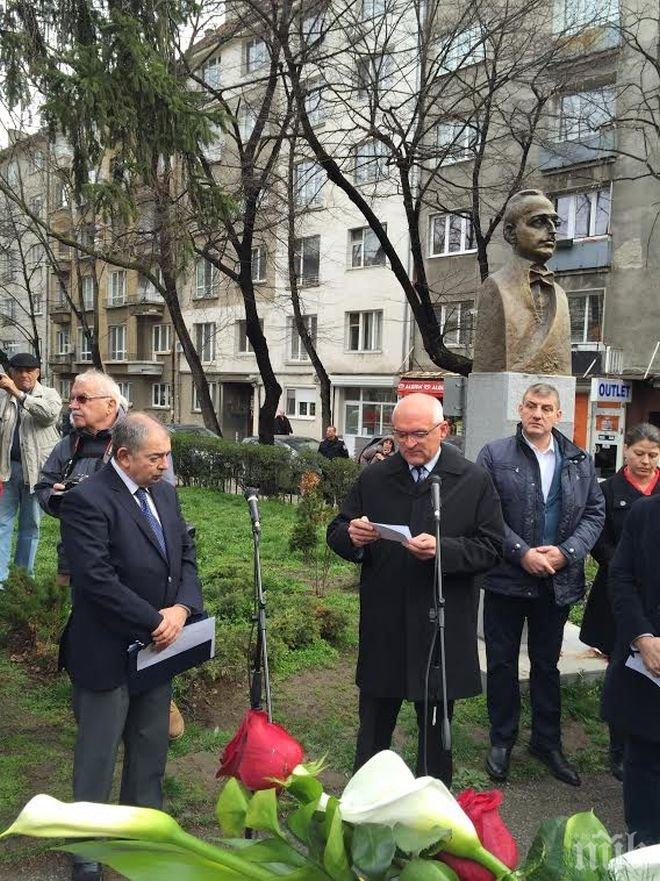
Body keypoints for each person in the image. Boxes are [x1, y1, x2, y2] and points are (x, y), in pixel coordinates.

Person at [327, 393, 504, 786]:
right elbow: (337, 531)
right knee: (373, 731)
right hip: (385, 622)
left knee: (435, 739)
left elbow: (492, 549)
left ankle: (432, 815)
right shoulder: (375, 476)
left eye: (420, 434)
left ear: (444, 430)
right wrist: (352, 537)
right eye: (401, 434)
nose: (409, 444)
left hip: (440, 626)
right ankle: (365, 808)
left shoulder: (472, 479)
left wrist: (444, 549)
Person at [59, 413, 203, 881]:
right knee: (98, 753)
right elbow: (95, 579)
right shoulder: (88, 500)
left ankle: (142, 830)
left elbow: (184, 553)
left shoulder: (163, 491)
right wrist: (152, 620)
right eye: (156, 457)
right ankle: (88, 848)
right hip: (106, 649)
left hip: (159, 646)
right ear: (124, 456)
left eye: (167, 455)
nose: (165, 464)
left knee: (149, 744)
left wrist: (182, 608)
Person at [36, 369, 184, 741]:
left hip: (135, 564)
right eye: (72, 398)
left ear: (110, 404)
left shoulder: (141, 439)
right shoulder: (68, 443)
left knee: (144, 627)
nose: (73, 406)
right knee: (92, 630)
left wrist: (98, 503)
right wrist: (66, 502)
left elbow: (157, 497)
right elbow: (42, 486)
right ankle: (95, 703)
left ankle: (155, 699)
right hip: (81, 556)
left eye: (81, 399)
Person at [477, 383, 605, 787]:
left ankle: (547, 742)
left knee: (546, 666)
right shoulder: (495, 455)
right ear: (520, 407)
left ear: (558, 413)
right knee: (500, 663)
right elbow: (486, 513)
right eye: (531, 405)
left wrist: (566, 553)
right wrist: (521, 552)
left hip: (556, 581)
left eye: (546, 408)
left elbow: (594, 514)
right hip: (506, 579)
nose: (537, 413)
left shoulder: (578, 459)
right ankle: (502, 739)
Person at [580, 423, 660, 780]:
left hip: (655, 598)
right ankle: (619, 749)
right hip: (620, 592)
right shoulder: (609, 490)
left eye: (653, 456)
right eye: (639, 453)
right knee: (623, 670)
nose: (645, 461)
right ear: (626, 450)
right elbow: (598, 539)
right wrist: (626, 563)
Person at [472, 189, 571, 376]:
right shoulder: (495, 287)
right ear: (510, 233)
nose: (552, 231)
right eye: (539, 222)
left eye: (554, 222)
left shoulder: (560, 294)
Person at [0, 352, 61, 588]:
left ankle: (23, 577)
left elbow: (47, 416)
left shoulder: (50, 395)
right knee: (2, 524)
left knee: (30, 526)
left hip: (36, 474)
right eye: (19, 371)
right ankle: (2, 580)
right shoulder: (2, 397)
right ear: (11, 372)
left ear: (38, 373)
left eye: (29, 371)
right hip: (7, 471)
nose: (24, 375)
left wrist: (17, 394)